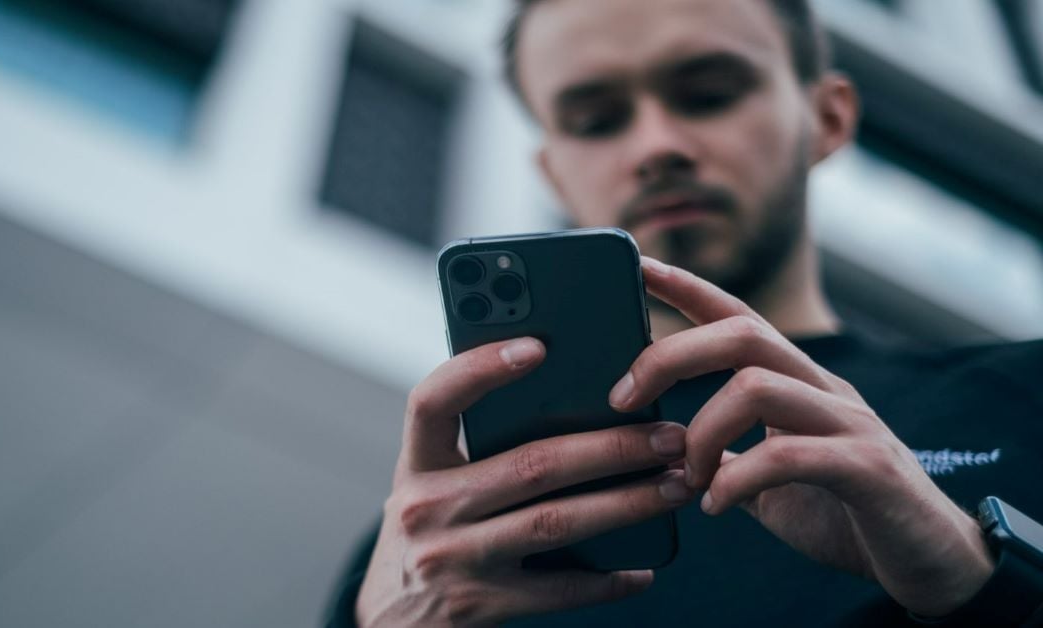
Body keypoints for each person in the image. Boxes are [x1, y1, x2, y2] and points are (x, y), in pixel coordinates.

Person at [326, 0, 1043, 625]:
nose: (656, 147)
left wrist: (979, 578)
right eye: (596, 120)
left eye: (707, 95)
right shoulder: (439, 537)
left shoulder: (1024, 394)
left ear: (826, 119)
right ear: (554, 172)